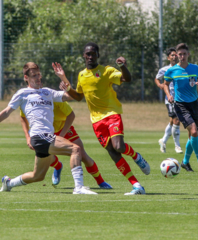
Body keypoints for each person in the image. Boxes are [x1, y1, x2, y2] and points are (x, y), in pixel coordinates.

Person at [0, 62, 97, 194]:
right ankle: (79, 188)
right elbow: (6, 112)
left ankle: (8, 183)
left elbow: (73, 97)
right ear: (26, 78)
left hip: (45, 137)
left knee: (38, 176)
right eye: (33, 75)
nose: (38, 78)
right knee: (75, 149)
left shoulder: (47, 92)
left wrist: (63, 78)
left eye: (38, 74)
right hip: (39, 136)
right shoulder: (22, 93)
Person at [52, 42, 150, 195]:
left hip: (112, 114)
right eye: (87, 54)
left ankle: (136, 157)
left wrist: (123, 66)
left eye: (93, 53)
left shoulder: (107, 71)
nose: (90, 56)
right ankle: (136, 185)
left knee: (119, 146)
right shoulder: (82, 75)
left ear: (98, 55)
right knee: (113, 152)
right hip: (96, 121)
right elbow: (78, 97)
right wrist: (68, 88)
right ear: (84, 56)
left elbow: (127, 79)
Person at [20, 95, 112, 189]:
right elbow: (22, 116)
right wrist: (27, 137)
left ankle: (101, 182)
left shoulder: (53, 97)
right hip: (45, 132)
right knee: (46, 158)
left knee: (82, 154)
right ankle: (58, 166)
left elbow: (71, 115)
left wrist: (62, 134)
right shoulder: (27, 98)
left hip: (64, 128)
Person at [163, 43, 198, 172]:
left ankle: (185, 162)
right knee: (194, 131)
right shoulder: (171, 71)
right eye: (180, 54)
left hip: (194, 104)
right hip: (180, 104)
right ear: (177, 55)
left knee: (192, 135)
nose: (182, 56)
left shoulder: (196, 68)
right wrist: (169, 95)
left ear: (188, 54)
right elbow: (165, 84)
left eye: (184, 54)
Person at [154, 47, 183, 154]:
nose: (174, 56)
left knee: (172, 121)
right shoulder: (165, 69)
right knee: (177, 120)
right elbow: (157, 78)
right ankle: (177, 146)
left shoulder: (182, 68)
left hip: (181, 98)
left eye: (176, 55)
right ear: (168, 58)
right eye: (172, 55)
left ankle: (163, 140)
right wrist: (160, 85)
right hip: (170, 99)